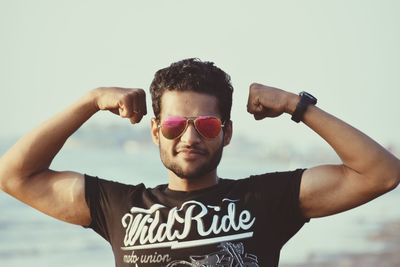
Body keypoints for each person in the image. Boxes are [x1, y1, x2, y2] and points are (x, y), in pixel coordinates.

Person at [0, 58, 399, 267]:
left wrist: (296, 105)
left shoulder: (265, 199)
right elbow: (14, 175)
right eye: (174, 124)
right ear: (156, 131)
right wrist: (90, 100)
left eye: (206, 124)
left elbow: (381, 173)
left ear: (226, 132)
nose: (189, 137)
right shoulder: (117, 207)